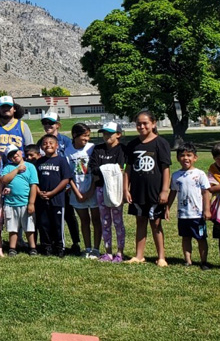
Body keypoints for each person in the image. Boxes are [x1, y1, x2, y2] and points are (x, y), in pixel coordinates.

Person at [125, 111, 172, 267]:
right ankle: (139, 256)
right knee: (140, 222)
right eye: (139, 123)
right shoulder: (132, 145)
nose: (142, 126)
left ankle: (161, 257)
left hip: (155, 191)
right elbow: (128, 170)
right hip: (138, 191)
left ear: (153, 123)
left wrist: (165, 190)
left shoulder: (161, 143)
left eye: (145, 123)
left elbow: (165, 168)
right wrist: (126, 189)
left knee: (156, 223)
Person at [40, 111, 82, 254]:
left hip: (67, 184)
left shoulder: (66, 141)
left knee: (69, 215)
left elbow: (71, 160)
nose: (47, 125)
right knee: (50, 216)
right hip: (50, 184)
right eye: (45, 123)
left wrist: (71, 184)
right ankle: (51, 243)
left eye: (51, 123)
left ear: (58, 124)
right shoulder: (43, 142)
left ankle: (75, 242)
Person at [168, 142, 212, 268]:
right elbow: (173, 192)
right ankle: (188, 261)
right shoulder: (176, 175)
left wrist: (206, 210)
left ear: (195, 158)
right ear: (177, 158)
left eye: (189, 155)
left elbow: (205, 192)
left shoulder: (200, 174)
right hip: (183, 214)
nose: (185, 158)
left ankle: (204, 262)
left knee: (201, 238)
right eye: (182, 155)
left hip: (198, 215)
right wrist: (167, 208)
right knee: (185, 238)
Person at [90, 122, 127, 262]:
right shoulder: (98, 149)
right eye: (104, 133)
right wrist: (111, 169)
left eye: (110, 133)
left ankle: (119, 252)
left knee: (118, 221)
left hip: (117, 189)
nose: (106, 136)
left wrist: (105, 168)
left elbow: (122, 167)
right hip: (101, 188)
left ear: (118, 134)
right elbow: (93, 167)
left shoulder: (123, 149)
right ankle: (108, 252)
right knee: (105, 221)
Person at [34, 135, 73, 257]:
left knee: (57, 224)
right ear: (41, 147)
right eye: (45, 143)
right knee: (44, 224)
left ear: (57, 146)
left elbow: (66, 179)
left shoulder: (61, 160)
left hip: (57, 199)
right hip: (41, 199)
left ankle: (59, 246)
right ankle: (46, 246)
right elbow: (34, 180)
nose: (48, 145)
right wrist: (39, 192)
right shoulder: (39, 162)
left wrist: (53, 192)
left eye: (51, 143)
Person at [66, 123, 101, 258]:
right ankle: (87, 248)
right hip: (77, 192)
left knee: (96, 220)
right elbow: (68, 175)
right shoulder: (68, 151)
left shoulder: (92, 148)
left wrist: (91, 190)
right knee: (84, 220)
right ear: (75, 135)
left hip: (92, 190)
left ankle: (96, 249)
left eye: (88, 136)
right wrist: (77, 193)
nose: (87, 139)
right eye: (84, 136)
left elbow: (96, 172)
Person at [0, 148, 38, 256]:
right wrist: (16, 170)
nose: (15, 156)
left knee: (29, 227)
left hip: (25, 202)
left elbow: (33, 185)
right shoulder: (8, 167)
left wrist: (31, 203)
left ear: (20, 152)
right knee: (13, 227)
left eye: (16, 152)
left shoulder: (30, 167)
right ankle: (12, 247)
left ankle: (32, 247)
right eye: (11, 155)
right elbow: (4, 180)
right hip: (11, 203)